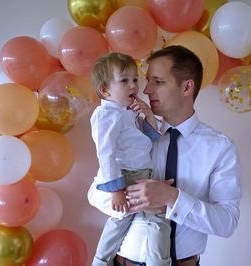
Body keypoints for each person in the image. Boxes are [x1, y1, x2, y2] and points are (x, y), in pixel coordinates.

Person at [88, 46, 242, 266]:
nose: (146, 90)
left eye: (158, 82)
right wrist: (134, 198)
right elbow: (94, 194)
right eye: (147, 80)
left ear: (187, 87)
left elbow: (227, 223)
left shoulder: (220, 148)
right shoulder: (134, 135)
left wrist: (172, 199)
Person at [90, 52, 172, 266]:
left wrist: (149, 116)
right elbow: (105, 153)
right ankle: (103, 260)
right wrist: (116, 189)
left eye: (135, 79)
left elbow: (149, 140)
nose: (133, 86)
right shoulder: (107, 115)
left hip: (141, 175)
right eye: (124, 80)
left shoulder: (126, 113)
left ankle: (103, 261)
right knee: (131, 218)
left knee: (143, 219)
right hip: (126, 176)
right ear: (105, 90)